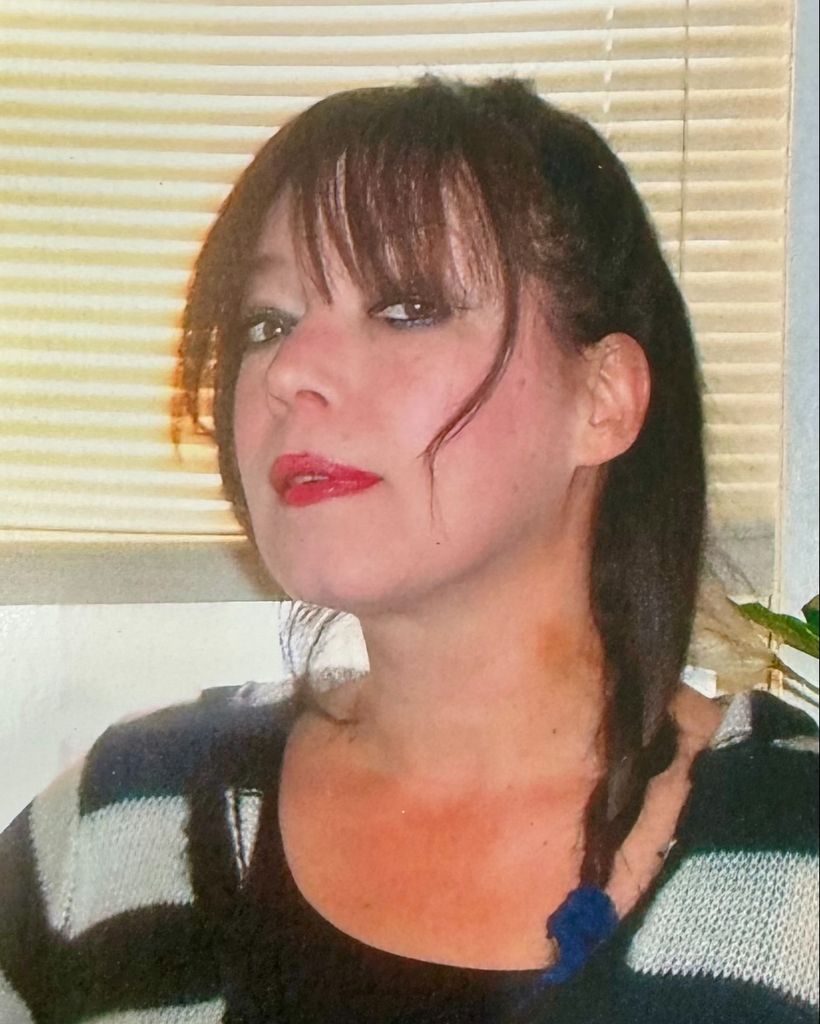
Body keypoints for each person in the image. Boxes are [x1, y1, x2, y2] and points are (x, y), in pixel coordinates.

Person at [0, 76, 817, 1024]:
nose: (288, 370)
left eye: (406, 307)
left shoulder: (794, 847)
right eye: (268, 322)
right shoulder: (124, 818)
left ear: (603, 400)